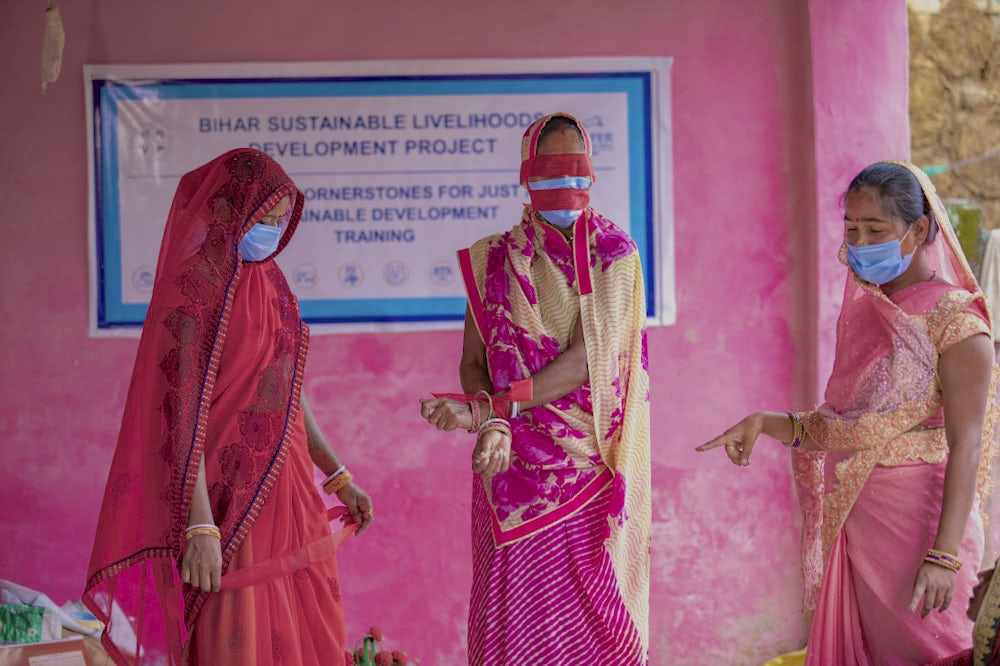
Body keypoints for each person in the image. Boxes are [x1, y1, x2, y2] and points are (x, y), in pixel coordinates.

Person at [697, 161, 999, 665]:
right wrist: (766, 422)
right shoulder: (868, 312)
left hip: (924, 534)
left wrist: (945, 555)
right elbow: (847, 427)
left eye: (876, 230)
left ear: (920, 229)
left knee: (940, 652)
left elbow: (966, 444)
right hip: (861, 533)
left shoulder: (959, 324)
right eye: (852, 228)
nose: (860, 242)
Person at [83, 148, 373, 665]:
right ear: (233, 211)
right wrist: (200, 526)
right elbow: (179, 416)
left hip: (287, 496)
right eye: (266, 218)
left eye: (283, 220)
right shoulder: (192, 294)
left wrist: (338, 475)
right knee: (236, 635)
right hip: (222, 505)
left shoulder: (273, 285)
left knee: (308, 630)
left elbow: (289, 387)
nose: (274, 231)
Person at [419, 113, 651, 664]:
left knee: (601, 632)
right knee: (509, 626)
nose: (563, 186)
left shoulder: (613, 255)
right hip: (505, 469)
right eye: (548, 173)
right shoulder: (493, 259)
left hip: (584, 470)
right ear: (526, 176)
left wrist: (491, 411)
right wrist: (493, 421)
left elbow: (585, 363)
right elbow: (473, 360)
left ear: (593, 174)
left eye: (576, 172)